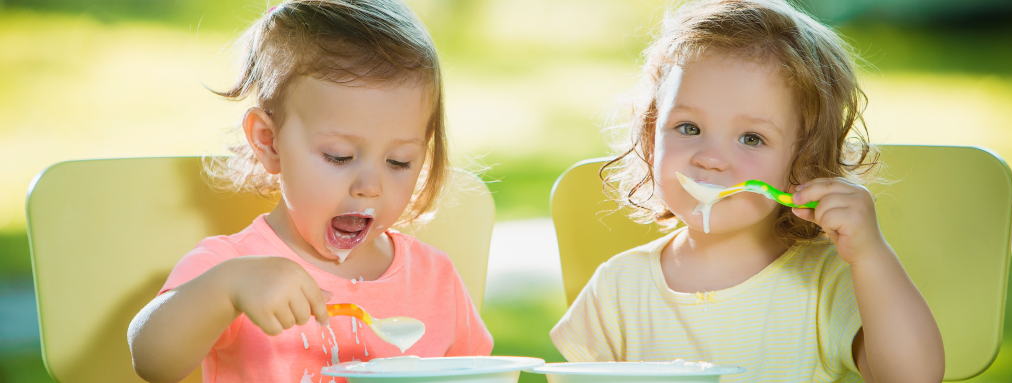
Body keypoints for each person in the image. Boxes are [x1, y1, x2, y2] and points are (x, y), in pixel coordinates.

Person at [550, 0, 944, 381]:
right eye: (689, 128)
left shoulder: (829, 281)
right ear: (653, 139)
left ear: (803, 163)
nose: (710, 159)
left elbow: (913, 378)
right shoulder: (619, 287)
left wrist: (871, 255)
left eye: (751, 138)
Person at [127, 1, 492, 382]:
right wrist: (226, 289)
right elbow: (151, 360)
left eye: (399, 161)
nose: (370, 187)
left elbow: (480, 373)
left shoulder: (435, 278)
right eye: (340, 156)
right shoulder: (233, 266)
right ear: (269, 142)